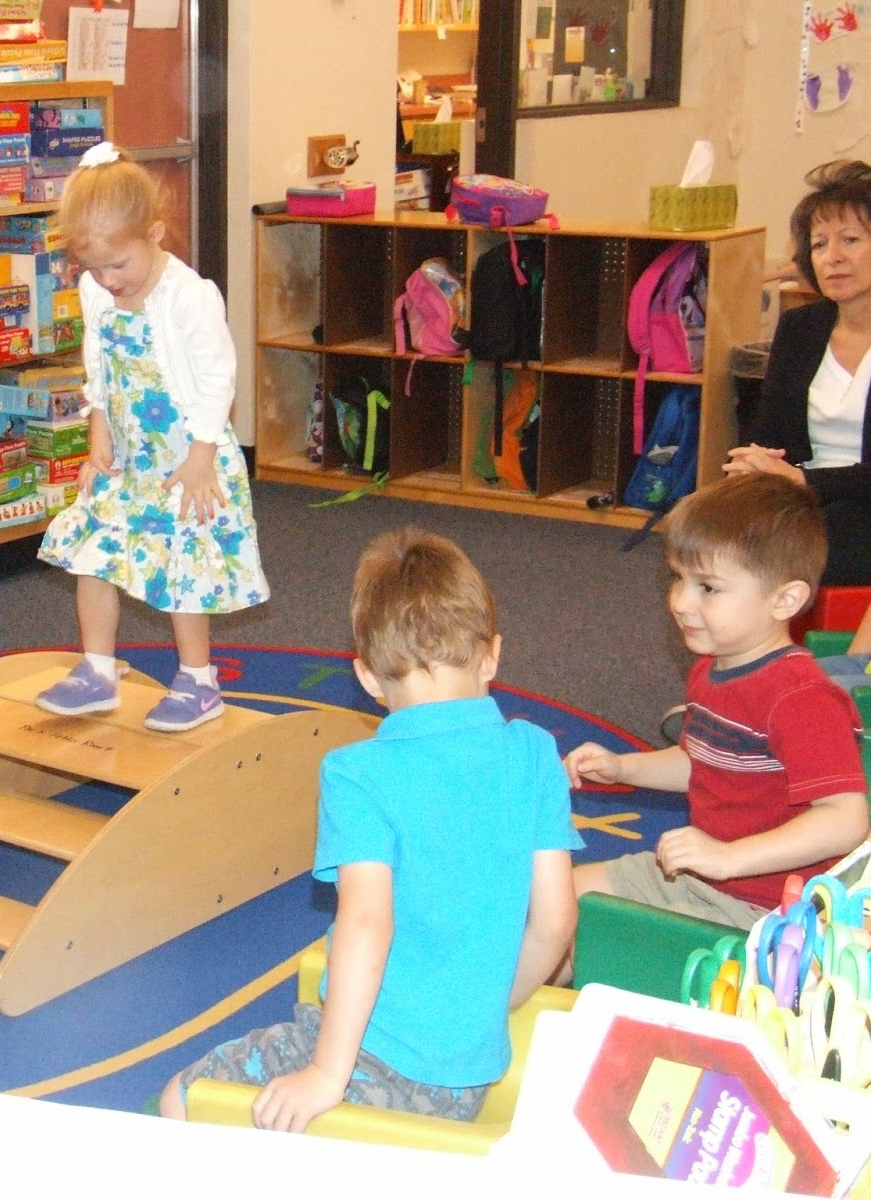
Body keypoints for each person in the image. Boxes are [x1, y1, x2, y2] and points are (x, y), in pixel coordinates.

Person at [158, 530, 579, 1133]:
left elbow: (366, 922)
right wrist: (491, 1006)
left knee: (182, 1097)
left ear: (368, 678)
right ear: (491, 655)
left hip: (372, 1061)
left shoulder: (358, 774)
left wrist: (327, 1073)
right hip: (467, 1081)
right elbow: (556, 921)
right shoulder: (536, 753)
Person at [34, 142, 268, 732]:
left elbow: (217, 379)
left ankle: (198, 681)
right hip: (129, 456)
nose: (108, 280)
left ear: (155, 234)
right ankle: (97, 670)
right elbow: (98, 367)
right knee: (93, 553)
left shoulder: (189, 295)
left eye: (118, 265)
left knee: (182, 570)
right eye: (94, 268)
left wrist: (201, 456)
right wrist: (98, 433)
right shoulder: (97, 291)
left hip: (187, 459)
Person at [566, 473, 868, 930]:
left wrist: (728, 857)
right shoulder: (713, 668)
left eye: (707, 587)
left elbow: (846, 819)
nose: (680, 602)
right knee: (557, 900)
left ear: (785, 600)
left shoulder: (801, 699)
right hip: (702, 876)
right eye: (678, 578)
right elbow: (700, 763)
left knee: (597, 933)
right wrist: (623, 768)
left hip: (769, 912)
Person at [726, 160, 871, 587]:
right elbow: (769, 430)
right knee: (709, 529)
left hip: (855, 501)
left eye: (850, 240)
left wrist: (805, 481)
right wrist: (755, 462)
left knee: (788, 554)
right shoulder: (800, 328)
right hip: (801, 494)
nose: (833, 257)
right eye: (819, 244)